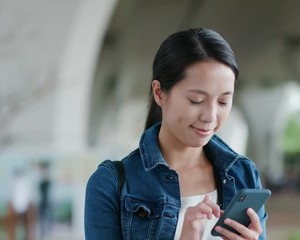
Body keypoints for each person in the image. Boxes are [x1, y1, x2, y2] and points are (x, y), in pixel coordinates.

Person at [85, 28, 268, 240]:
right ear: (159, 93)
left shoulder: (243, 175)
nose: (210, 116)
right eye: (196, 100)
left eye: (223, 101)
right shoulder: (109, 184)